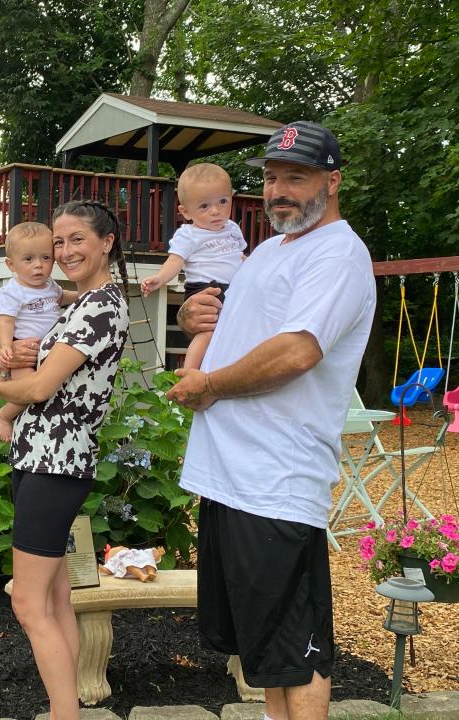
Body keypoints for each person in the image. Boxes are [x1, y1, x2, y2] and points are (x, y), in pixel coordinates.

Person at [166, 121, 376, 720]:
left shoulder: (339, 253)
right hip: (232, 476)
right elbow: (244, 330)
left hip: (276, 482)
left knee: (297, 651)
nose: (279, 190)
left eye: (297, 177)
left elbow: (296, 352)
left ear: (331, 181)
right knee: (266, 652)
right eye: (272, 177)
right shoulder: (267, 251)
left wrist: (207, 383)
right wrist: (195, 316)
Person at [0, 200, 130, 720]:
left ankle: (63, 714)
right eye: (59, 244)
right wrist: (7, 400)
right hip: (41, 457)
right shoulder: (76, 303)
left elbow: (44, 386)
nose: (65, 252)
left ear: (106, 243)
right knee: (53, 598)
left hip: (56, 461)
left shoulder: (99, 308)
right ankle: (69, 709)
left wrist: (1, 383)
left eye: (77, 240)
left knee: (27, 603)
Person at [140, 162, 246, 370]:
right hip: (205, 289)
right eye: (204, 206)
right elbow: (175, 261)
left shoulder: (232, 228)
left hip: (236, 288)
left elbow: (240, 256)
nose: (215, 211)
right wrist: (159, 278)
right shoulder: (188, 234)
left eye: (222, 202)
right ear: (186, 211)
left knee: (234, 330)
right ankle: (189, 371)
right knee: (207, 332)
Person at [0, 221, 79, 445]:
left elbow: (62, 297)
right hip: (24, 349)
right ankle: (2, 417)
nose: (38, 266)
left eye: (46, 258)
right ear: (11, 264)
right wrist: (6, 346)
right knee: (28, 391)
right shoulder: (13, 291)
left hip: (47, 351)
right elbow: (6, 321)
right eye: (28, 259)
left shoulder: (50, 285)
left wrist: (83, 294)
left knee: (42, 386)